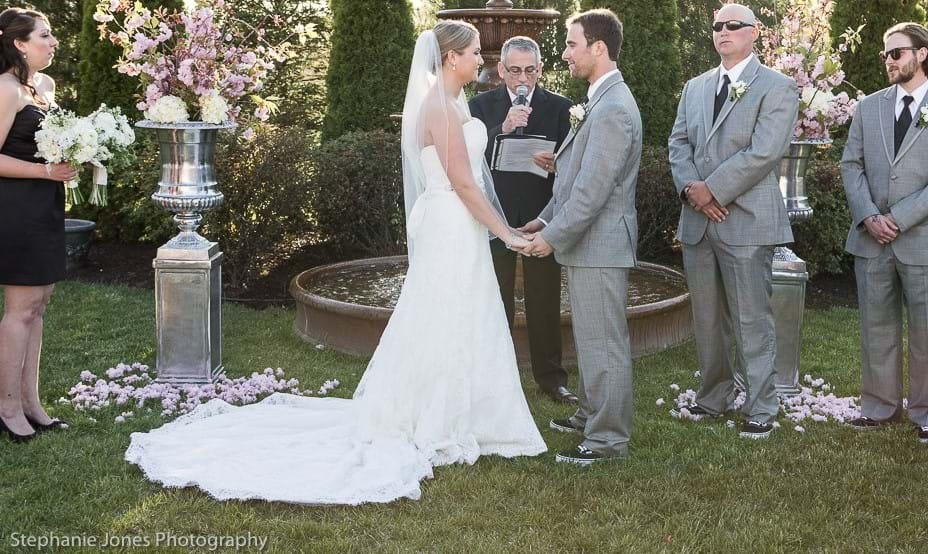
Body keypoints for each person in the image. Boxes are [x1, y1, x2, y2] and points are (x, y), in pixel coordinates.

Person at [124, 20, 547, 505]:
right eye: (474, 53)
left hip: (456, 221)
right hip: (453, 221)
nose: (481, 60)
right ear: (450, 58)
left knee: (457, 314)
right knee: (445, 313)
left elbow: (471, 174)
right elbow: (465, 183)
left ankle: (464, 411)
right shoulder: (441, 108)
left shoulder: (454, 105)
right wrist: (506, 234)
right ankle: (437, 417)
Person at [667, 3, 798, 439]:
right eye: (717, 26)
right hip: (698, 220)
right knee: (706, 318)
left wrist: (713, 190)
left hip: (747, 220)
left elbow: (764, 152)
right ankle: (714, 397)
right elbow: (678, 142)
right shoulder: (695, 87)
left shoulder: (777, 87)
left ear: (754, 32)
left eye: (733, 26)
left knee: (751, 318)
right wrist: (691, 189)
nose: (723, 32)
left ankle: (762, 406)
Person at [519, 9, 642, 465]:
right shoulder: (597, 99)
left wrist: (553, 237)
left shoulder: (612, 108)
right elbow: (576, 176)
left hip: (601, 242)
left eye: (571, 44)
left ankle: (608, 440)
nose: (565, 54)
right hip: (588, 241)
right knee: (592, 338)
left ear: (598, 48)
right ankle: (591, 413)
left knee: (604, 342)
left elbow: (593, 192)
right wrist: (545, 219)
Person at [842, 22, 928, 445]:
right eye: (885, 54)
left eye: (896, 53)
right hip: (871, 237)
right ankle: (879, 407)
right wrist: (867, 216)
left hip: (921, 239)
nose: (888, 61)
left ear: (921, 54)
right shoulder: (868, 108)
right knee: (876, 327)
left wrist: (897, 218)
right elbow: (851, 165)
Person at [468, 36, 575, 404]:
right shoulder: (480, 106)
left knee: (543, 300)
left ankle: (552, 378)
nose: (522, 78)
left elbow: (574, 165)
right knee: (494, 300)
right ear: (501, 70)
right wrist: (503, 130)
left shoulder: (561, 108)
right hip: (494, 217)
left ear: (541, 69)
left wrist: (557, 163)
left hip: (540, 218)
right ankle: (495, 378)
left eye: (530, 70)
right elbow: (466, 160)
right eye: (515, 71)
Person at [0, 8, 75, 444]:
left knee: (40, 303)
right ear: (20, 44)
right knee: (20, 308)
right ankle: (7, 408)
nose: (53, 42)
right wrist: (46, 173)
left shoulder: (44, 86)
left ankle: (31, 403)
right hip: (14, 207)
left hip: (46, 204)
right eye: (44, 35)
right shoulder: (6, 90)